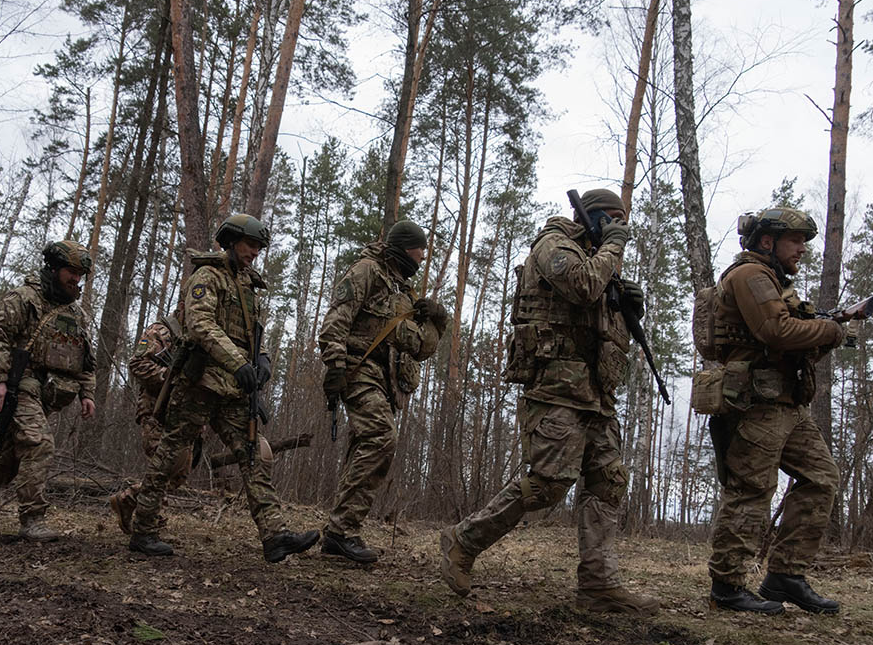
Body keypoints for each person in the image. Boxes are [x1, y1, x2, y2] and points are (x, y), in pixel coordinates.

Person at [439, 189, 660, 615]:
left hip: (595, 396)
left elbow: (599, 325)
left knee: (608, 482)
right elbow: (581, 286)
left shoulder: (601, 262)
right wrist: (614, 247)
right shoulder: (554, 246)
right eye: (612, 218)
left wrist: (629, 308)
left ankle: (599, 585)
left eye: (623, 220)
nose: (620, 226)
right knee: (548, 485)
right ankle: (463, 540)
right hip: (557, 389)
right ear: (592, 217)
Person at [123, 213, 320, 563]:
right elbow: (201, 325)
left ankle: (274, 536)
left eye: (259, 247)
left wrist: (262, 362)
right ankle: (143, 530)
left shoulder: (249, 287)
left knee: (253, 457)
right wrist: (238, 362)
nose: (254, 252)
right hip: (197, 384)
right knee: (170, 456)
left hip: (232, 390)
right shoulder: (206, 276)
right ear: (230, 241)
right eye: (249, 244)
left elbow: (254, 337)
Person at [702, 207, 849, 615]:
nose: (802, 249)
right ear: (767, 241)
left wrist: (824, 328)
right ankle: (727, 586)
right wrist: (834, 329)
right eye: (796, 240)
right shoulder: (750, 275)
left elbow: (789, 333)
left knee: (821, 478)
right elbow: (776, 331)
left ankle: (785, 576)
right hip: (756, 404)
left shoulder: (775, 281)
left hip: (785, 402)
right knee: (751, 490)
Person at [318, 220, 447, 563]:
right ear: (405, 248)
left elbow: (422, 349)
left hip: (386, 381)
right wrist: (335, 366)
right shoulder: (366, 272)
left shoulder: (404, 293)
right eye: (419, 249)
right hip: (357, 370)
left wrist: (437, 320)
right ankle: (341, 531)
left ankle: (338, 534)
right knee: (380, 436)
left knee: (367, 445)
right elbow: (336, 321)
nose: (422, 257)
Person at [0, 241, 97, 541]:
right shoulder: (25, 298)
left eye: (80, 274)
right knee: (38, 443)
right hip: (19, 386)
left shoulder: (75, 314)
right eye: (71, 271)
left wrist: (87, 393)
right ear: (54, 269)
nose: (75, 279)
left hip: (48, 394)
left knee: (8, 458)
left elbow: (85, 358)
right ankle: (33, 517)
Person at [109, 307, 195, 533]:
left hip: (184, 414)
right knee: (162, 468)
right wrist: (169, 374)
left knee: (178, 473)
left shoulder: (199, 337)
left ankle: (131, 501)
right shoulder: (161, 331)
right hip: (156, 411)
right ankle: (147, 518)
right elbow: (137, 364)